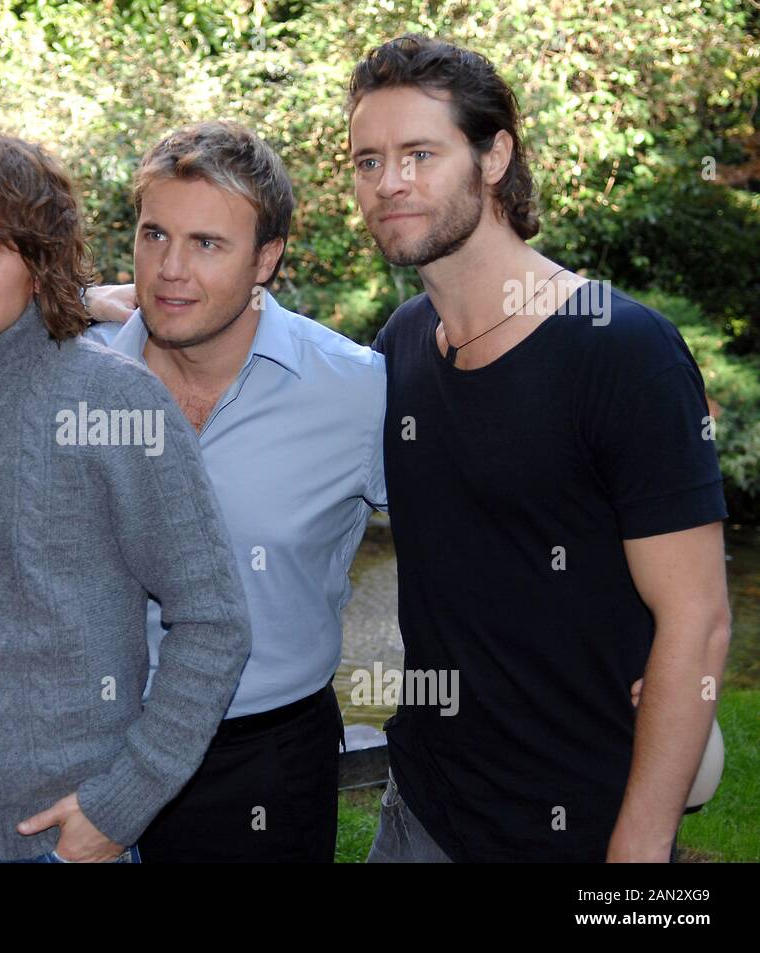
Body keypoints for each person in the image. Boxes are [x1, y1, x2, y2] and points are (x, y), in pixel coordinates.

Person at [348, 34, 731, 862]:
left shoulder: (622, 349)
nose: (390, 183)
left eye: (420, 152)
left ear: (494, 157)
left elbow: (697, 621)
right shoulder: (403, 343)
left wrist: (638, 851)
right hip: (421, 812)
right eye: (367, 160)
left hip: (582, 827)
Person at [0, 132, 252, 862]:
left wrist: (123, 802)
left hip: (63, 838)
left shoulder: (116, 400)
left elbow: (214, 621)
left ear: (40, 265)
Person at [88, 120, 388, 862]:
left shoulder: (354, 393)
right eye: (155, 235)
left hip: (264, 761)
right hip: (89, 741)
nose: (170, 270)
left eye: (208, 244)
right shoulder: (73, 372)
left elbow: (471, 551)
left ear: (268, 259)